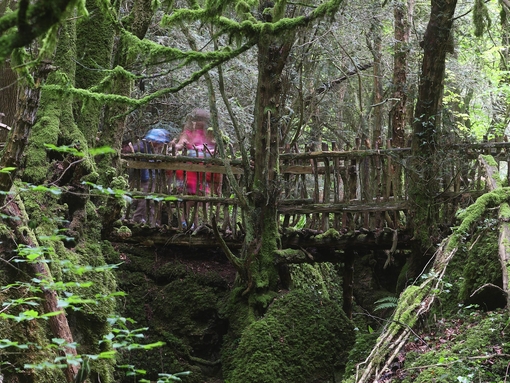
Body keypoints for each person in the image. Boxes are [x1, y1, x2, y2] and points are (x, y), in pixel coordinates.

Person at [124, 128, 171, 223]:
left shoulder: (154, 149)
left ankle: (149, 220)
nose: (160, 144)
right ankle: (137, 218)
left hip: (151, 176)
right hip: (143, 177)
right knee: (144, 198)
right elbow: (129, 152)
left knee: (150, 199)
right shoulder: (142, 146)